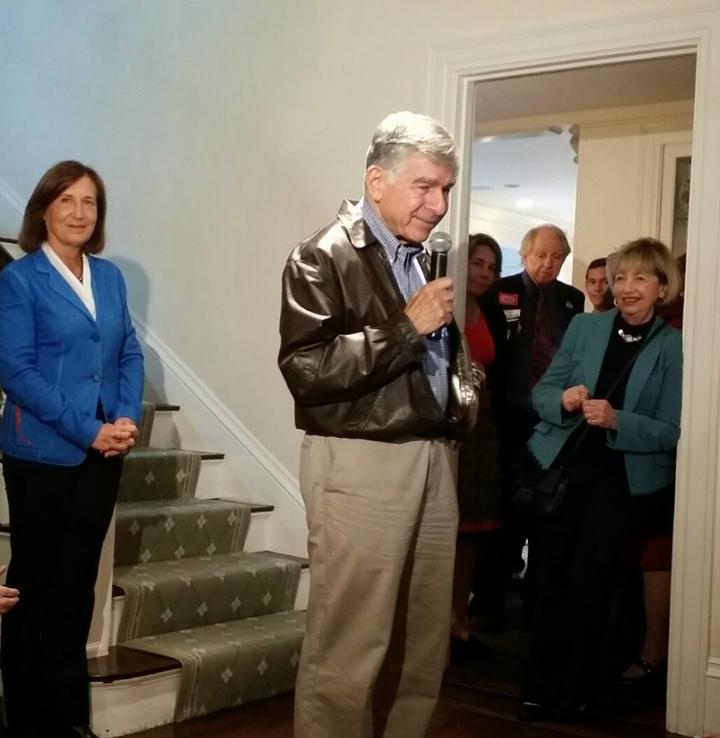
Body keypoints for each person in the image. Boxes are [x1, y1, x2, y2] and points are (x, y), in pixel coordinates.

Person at [278, 112, 481, 738]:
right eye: (424, 186)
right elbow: (305, 369)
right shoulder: (320, 256)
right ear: (376, 179)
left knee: (421, 642)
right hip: (361, 462)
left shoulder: (421, 260)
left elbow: (435, 359)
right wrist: (405, 327)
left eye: (445, 188)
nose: (438, 204)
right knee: (351, 640)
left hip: (432, 459)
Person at [0, 161, 144, 738]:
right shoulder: (20, 279)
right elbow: (16, 371)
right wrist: (87, 428)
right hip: (41, 452)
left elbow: (129, 351)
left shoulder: (108, 277)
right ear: (44, 210)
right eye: (68, 201)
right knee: (32, 588)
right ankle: (26, 720)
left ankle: (68, 720)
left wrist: (127, 415)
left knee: (77, 587)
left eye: (90, 203)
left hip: (103, 455)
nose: (80, 213)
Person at [518, 237, 683, 721]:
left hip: (622, 481)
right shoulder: (587, 328)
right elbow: (544, 390)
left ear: (661, 287)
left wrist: (618, 421)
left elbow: (670, 430)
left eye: (640, 278)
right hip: (565, 469)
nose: (627, 288)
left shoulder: (674, 345)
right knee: (548, 578)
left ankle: (577, 688)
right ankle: (536, 685)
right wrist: (564, 399)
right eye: (622, 277)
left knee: (590, 582)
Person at [481, 225, 584, 620]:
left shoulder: (573, 301)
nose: (548, 263)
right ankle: (490, 602)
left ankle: (537, 607)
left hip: (554, 423)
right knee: (504, 513)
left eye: (557, 256)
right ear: (524, 256)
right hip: (507, 420)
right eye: (541, 255)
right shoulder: (498, 292)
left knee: (547, 513)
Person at [452, 233, 507, 651]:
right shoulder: (442, 302)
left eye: (491, 267)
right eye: (478, 263)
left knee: (470, 532)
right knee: (439, 527)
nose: (485, 274)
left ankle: (457, 620)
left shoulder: (493, 312)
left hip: (483, 431)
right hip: (446, 427)